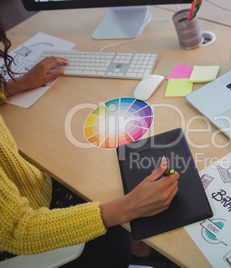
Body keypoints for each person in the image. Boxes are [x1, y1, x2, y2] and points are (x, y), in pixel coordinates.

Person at [0, 24, 180, 267]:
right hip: (28, 238)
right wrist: (128, 208)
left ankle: (137, 243)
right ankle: (134, 245)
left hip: (32, 189)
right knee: (115, 197)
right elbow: (19, 231)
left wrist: (13, 85)